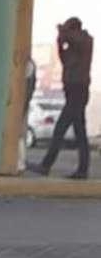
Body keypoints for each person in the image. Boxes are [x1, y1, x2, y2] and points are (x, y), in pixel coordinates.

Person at [30, 17, 93, 179]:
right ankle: (80, 170)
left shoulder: (85, 40)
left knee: (63, 130)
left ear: (74, 29)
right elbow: (63, 58)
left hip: (78, 92)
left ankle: (48, 165)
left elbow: (75, 39)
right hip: (72, 92)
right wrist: (60, 40)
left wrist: (63, 31)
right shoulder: (72, 50)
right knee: (78, 132)